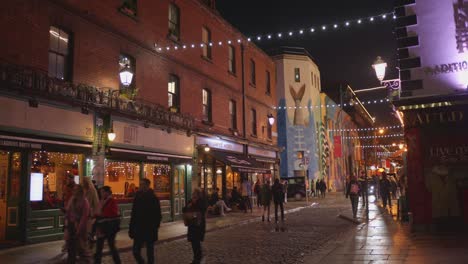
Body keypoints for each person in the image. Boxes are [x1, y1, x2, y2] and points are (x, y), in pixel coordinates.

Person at [129, 178, 162, 264]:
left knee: (150, 252)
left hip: (149, 229)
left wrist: (155, 227)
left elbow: (158, 215)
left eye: (143, 184)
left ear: (147, 185)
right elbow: (134, 214)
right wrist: (131, 228)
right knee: (135, 251)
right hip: (138, 228)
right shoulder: (137, 197)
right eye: (140, 184)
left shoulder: (153, 198)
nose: (141, 186)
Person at [94, 186, 121, 264]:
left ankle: (117, 262)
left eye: (102, 192)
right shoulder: (102, 201)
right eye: (101, 192)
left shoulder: (111, 201)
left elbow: (113, 213)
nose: (101, 194)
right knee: (100, 246)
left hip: (109, 226)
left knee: (111, 246)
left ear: (107, 192)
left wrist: (100, 214)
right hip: (102, 226)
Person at [65, 185, 90, 263]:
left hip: (80, 227)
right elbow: (68, 212)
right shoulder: (72, 199)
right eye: (73, 190)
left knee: (81, 248)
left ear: (80, 191)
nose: (74, 191)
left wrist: (79, 229)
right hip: (71, 225)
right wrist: (66, 225)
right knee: (71, 248)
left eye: (75, 190)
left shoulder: (85, 201)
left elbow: (84, 217)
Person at [183, 189, 207, 264]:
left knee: (196, 241)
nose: (193, 194)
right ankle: (196, 257)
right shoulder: (190, 201)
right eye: (193, 193)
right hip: (191, 224)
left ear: (198, 194)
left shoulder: (201, 201)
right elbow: (184, 209)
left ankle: (198, 258)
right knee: (193, 242)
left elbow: (203, 209)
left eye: (195, 193)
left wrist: (195, 203)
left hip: (198, 224)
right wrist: (188, 206)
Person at [82, 176, 99, 244]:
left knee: (89, 230)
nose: (83, 183)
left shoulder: (92, 190)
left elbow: (95, 203)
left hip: (90, 214)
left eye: (84, 182)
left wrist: (94, 214)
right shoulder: (83, 190)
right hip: (84, 213)